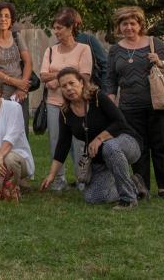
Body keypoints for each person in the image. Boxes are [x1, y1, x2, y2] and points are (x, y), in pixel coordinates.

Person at [40, 67, 144, 209]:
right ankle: (134, 184)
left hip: (126, 143)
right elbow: (63, 145)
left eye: (72, 83)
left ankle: (128, 199)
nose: (69, 88)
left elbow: (120, 122)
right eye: (64, 86)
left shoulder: (97, 97)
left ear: (82, 83)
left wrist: (99, 138)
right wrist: (52, 175)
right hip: (100, 158)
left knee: (110, 146)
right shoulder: (65, 112)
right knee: (93, 197)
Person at [107, 5, 164, 201]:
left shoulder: (154, 43)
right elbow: (111, 78)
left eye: (132, 23)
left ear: (140, 25)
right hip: (129, 106)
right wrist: (111, 97)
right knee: (138, 147)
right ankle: (142, 187)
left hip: (158, 104)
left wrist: (160, 61)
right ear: (119, 27)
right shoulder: (115, 50)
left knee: (161, 145)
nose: (128, 27)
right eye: (124, 24)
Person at [38, 6, 93, 191]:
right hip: (54, 104)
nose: (56, 31)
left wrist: (56, 78)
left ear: (70, 29)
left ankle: (82, 179)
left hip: (77, 104)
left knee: (79, 142)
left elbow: (84, 76)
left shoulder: (84, 49)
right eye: (55, 28)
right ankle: (59, 179)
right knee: (56, 141)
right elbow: (43, 76)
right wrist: (65, 76)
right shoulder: (50, 51)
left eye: (60, 28)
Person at [0, 2, 33, 132]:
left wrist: (23, 87)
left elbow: (28, 62)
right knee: (1, 130)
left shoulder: (17, 37)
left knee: (21, 130)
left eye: (7, 16)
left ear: (11, 20)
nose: (3, 19)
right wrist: (15, 82)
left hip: (20, 92)